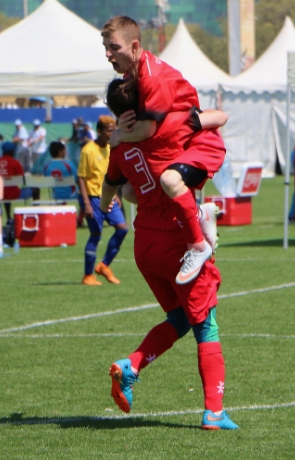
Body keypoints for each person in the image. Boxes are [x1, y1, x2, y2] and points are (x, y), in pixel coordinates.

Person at [100, 80, 238, 431]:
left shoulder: (119, 145)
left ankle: (131, 365)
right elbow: (220, 117)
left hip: (145, 243)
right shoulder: (166, 126)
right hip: (177, 239)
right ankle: (214, 413)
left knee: (178, 319)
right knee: (206, 325)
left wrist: (105, 205)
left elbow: (118, 187)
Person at [102, 16, 225, 282]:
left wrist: (120, 134)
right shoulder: (131, 74)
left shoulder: (152, 78)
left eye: (113, 47)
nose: (108, 54)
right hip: (175, 141)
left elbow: (148, 130)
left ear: (134, 46)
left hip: (196, 141)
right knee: (133, 191)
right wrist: (123, 125)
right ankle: (198, 214)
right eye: (105, 47)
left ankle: (197, 246)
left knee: (169, 180)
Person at [78, 115, 128, 286]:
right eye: (109, 131)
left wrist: (115, 195)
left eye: (114, 130)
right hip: (92, 198)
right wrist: (85, 203)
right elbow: (82, 178)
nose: (112, 133)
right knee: (95, 234)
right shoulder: (88, 150)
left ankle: (104, 265)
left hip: (107, 196)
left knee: (122, 229)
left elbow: (111, 176)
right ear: (99, 132)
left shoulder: (112, 147)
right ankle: (87, 275)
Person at [0, 141, 29, 221]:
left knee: (5, 190)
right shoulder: (15, 162)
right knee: (35, 190)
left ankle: (9, 217)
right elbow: (22, 179)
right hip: (14, 194)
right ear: (11, 151)